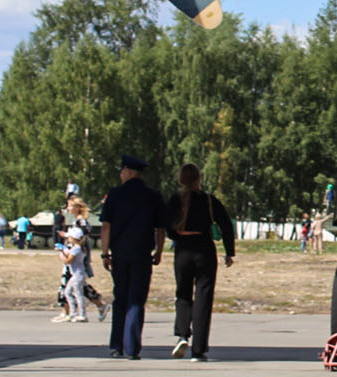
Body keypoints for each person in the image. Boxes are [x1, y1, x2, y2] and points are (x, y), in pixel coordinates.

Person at [165, 162, 235, 361]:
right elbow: (225, 225)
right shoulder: (209, 200)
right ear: (199, 179)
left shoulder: (174, 200)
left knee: (183, 294)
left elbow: (166, 225)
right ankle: (199, 349)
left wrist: (176, 236)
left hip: (183, 249)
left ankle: (182, 334)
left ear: (180, 180)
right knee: (204, 296)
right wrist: (229, 252)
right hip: (204, 248)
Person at [99, 154, 166, 359]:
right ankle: (132, 347)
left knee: (121, 298)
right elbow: (160, 228)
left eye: (122, 170)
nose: (120, 174)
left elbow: (106, 226)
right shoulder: (153, 196)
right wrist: (159, 251)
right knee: (136, 300)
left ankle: (116, 346)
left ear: (129, 171)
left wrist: (105, 253)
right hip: (142, 254)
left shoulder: (115, 195)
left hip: (120, 254)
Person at [55, 219, 92, 323]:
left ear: (74, 238)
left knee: (77, 294)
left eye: (69, 237)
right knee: (68, 292)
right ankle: (74, 313)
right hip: (76, 274)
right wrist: (62, 250)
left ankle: (82, 315)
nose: (68, 238)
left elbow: (68, 261)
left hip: (77, 275)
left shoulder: (76, 248)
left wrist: (61, 255)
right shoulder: (78, 247)